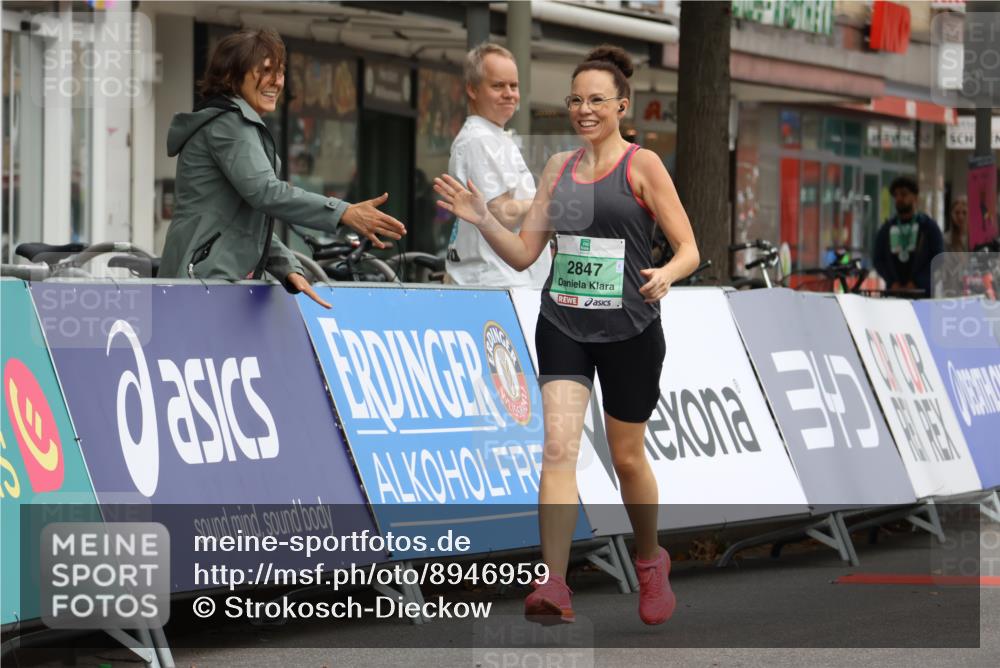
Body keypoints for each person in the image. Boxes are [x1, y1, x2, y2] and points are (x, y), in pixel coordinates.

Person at [435, 45, 699, 626]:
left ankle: (651, 560)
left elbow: (689, 248)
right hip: (564, 323)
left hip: (630, 327)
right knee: (557, 450)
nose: (584, 109)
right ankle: (553, 582)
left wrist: (666, 274)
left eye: (596, 100)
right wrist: (481, 218)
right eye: (576, 99)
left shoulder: (642, 165)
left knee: (628, 459)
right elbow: (527, 251)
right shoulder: (558, 167)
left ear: (621, 106)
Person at [160, 28, 406, 307]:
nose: (276, 82)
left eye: (280, 72)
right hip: (203, 285)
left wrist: (286, 266)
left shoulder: (237, 124)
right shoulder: (228, 125)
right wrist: (343, 212)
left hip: (214, 284)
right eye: (265, 71)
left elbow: (244, 222)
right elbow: (266, 193)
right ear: (230, 75)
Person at [445, 43, 551, 287]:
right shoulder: (479, 140)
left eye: (513, 85)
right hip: (498, 282)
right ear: (472, 90)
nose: (509, 93)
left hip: (508, 280)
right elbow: (500, 214)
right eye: (498, 85)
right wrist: (549, 202)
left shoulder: (494, 136)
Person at [872, 176, 943, 297]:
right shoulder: (886, 228)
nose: (899, 198)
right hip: (894, 293)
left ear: (915, 197)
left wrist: (918, 282)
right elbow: (878, 259)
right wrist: (892, 281)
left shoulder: (928, 226)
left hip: (921, 293)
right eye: (896, 195)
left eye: (904, 194)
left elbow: (938, 257)